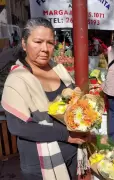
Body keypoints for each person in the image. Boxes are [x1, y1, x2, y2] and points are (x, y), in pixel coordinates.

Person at [1, 18, 92, 180]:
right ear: (24, 44)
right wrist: (66, 135)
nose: (45, 48)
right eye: (38, 41)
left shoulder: (58, 69)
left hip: (71, 153)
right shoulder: (17, 80)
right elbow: (18, 127)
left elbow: (73, 103)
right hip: (40, 164)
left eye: (50, 43)